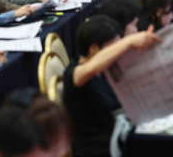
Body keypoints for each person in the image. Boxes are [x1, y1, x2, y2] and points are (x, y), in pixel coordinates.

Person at [63, 15, 160, 157]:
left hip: (121, 136)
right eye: (114, 48)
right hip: (97, 150)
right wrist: (129, 42)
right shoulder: (74, 72)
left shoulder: (105, 71)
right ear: (94, 48)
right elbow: (87, 71)